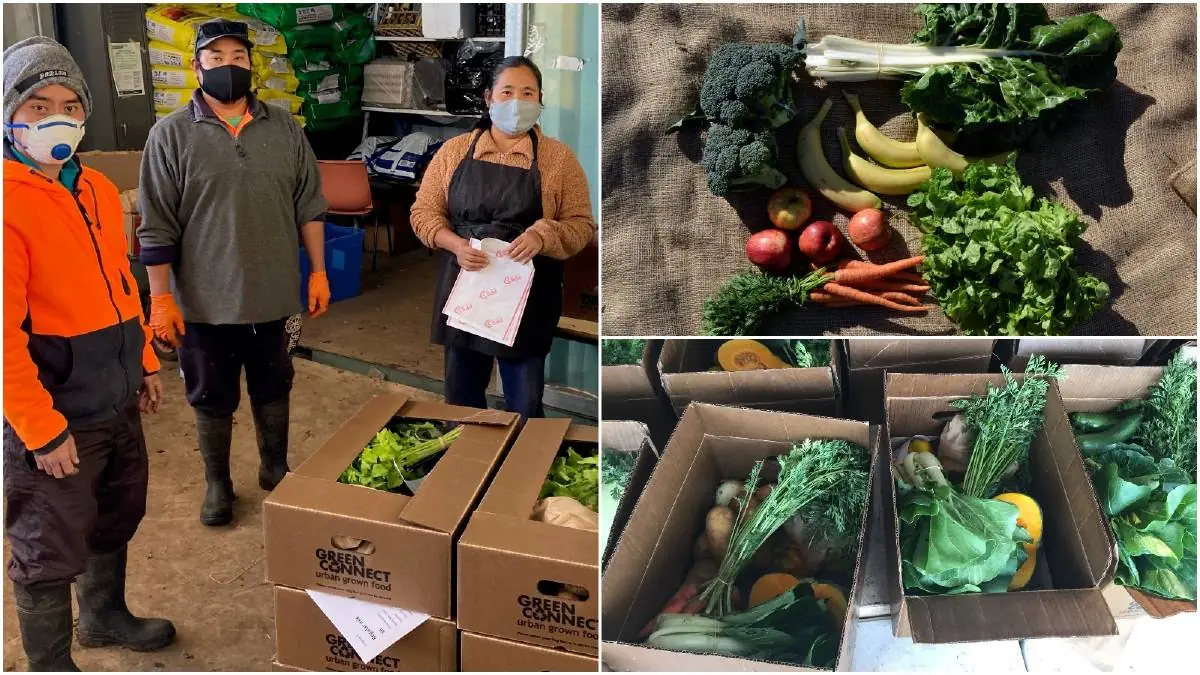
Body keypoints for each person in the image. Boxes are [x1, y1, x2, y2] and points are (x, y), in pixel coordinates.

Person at [3, 37, 175, 671]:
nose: (57, 117)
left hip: (115, 393)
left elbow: (121, 282)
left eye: (70, 104)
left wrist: (148, 364)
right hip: (54, 411)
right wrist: (43, 431)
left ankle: (102, 616)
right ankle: (50, 664)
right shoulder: (8, 202)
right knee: (47, 542)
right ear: (9, 115)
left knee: (113, 512)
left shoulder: (98, 188)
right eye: (38, 104)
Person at [138, 19, 330, 527]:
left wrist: (317, 272)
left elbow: (308, 206)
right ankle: (218, 483)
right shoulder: (169, 135)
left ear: (252, 64)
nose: (228, 66)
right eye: (216, 57)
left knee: (275, 385)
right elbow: (156, 226)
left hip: (274, 294)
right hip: (203, 302)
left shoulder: (285, 128)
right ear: (196, 64)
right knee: (210, 395)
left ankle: (274, 467)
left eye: (238, 57)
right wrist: (161, 299)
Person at [410, 57, 596, 419]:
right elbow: (423, 214)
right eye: (507, 92)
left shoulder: (559, 160)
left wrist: (544, 234)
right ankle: (473, 467)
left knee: (524, 406)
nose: (517, 102)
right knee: (462, 404)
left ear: (541, 100)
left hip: (527, 300)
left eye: (527, 93)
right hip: (466, 292)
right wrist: (455, 244)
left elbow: (581, 226)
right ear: (488, 99)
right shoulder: (453, 152)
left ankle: (519, 470)